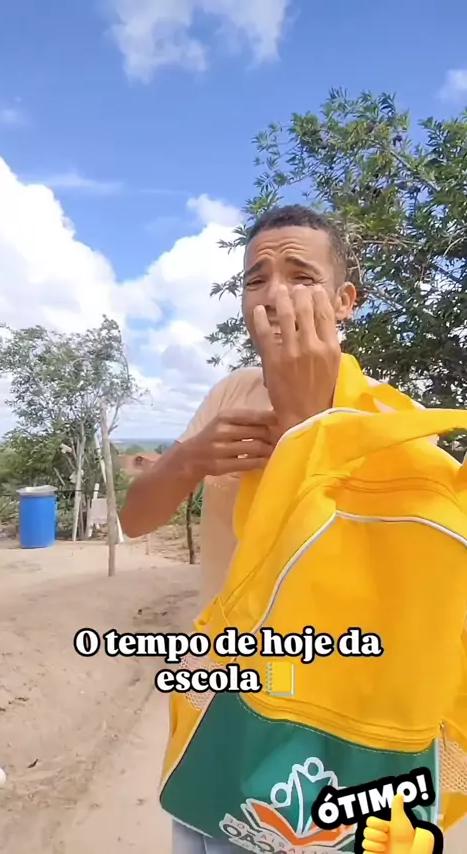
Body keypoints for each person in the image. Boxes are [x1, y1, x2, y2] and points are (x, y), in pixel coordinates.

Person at [120, 204, 366, 853]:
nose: (275, 295)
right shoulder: (230, 395)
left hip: (320, 723)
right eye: (256, 279)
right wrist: (187, 460)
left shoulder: (378, 420)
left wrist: (308, 430)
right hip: (215, 699)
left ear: (345, 302)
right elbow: (135, 520)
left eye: (301, 276)